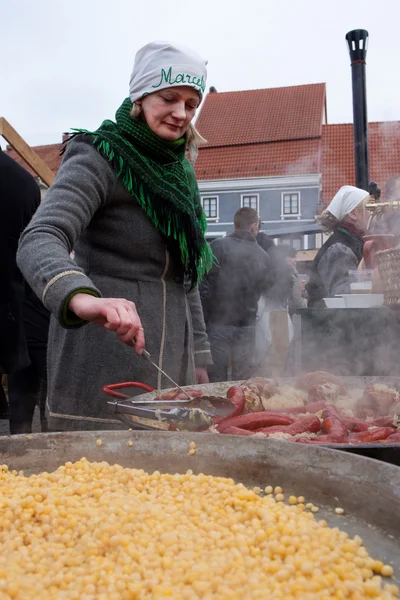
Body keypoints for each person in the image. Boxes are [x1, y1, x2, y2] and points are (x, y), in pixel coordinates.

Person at [17, 41, 214, 431]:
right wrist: (83, 297)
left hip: (174, 352)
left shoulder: (181, 174)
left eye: (191, 105)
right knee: (95, 480)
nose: (181, 114)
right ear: (140, 95)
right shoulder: (99, 155)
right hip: (102, 347)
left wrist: (201, 354)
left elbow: (184, 272)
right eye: (169, 98)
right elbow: (41, 236)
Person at [0, 146, 50, 432]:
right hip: (29, 307)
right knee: (34, 386)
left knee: (26, 385)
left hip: (19, 312)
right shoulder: (24, 182)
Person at [200, 207, 271, 382]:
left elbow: (203, 286)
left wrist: (206, 319)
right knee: (242, 382)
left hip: (218, 323)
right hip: (247, 325)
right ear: (254, 226)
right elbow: (262, 291)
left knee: (216, 380)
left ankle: (217, 409)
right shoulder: (263, 256)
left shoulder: (217, 246)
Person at [306, 185, 370, 308]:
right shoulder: (339, 249)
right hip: (327, 324)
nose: (372, 213)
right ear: (353, 213)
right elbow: (343, 298)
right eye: (368, 208)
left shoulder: (351, 242)